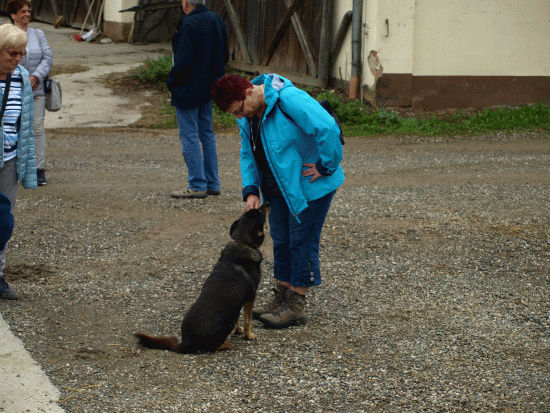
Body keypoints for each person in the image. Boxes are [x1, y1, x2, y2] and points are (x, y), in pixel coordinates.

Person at [211, 74, 345, 329]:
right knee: (282, 239)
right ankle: (281, 295)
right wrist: (251, 190)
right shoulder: (249, 117)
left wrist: (326, 166)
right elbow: (247, 153)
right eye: (234, 114)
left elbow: (326, 128)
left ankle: (296, 304)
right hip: (279, 188)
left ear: (249, 93)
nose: (239, 116)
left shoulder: (289, 99)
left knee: (301, 241)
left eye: (239, 110)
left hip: (309, 187)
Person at [169, 0, 229, 199]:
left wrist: (171, 81)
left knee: (189, 135)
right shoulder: (217, 20)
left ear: (186, 3)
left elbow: (183, 61)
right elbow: (225, 55)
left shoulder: (189, 24)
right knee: (206, 133)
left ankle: (196, 183)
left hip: (188, 88)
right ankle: (212, 182)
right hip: (210, 87)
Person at [0, 23, 37, 300]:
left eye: (21, 53)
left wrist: (28, 162)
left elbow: (26, 124)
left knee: (4, 221)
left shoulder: (22, 76)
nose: (18, 58)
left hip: (10, 160)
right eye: (12, 53)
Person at [8, 0, 53, 186]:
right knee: (13, 126)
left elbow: (48, 58)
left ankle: (38, 169)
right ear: (13, 15)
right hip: (12, 90)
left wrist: (35, 77)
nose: (27, 14)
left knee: (37, 128)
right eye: (22, 11)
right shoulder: (5, 33)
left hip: (37, 90)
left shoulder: (38, 34)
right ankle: (13, 168)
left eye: (28, 10)